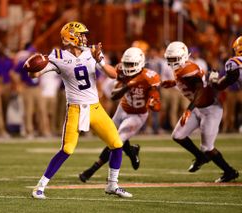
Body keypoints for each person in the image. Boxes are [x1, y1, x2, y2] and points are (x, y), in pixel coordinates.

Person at [30, 21, 132, 199]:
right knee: (67, 149)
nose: (85, 38)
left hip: (95, 107)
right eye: (81, 35)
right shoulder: (57, 55)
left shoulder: (91, 52)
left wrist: (99, 59)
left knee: (117, 144)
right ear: (71, 36)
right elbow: (36, 74)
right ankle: (40, 186)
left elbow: (113, 74)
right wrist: (32, 67)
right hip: (76, 110)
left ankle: (112, 185)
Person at [79, 47, 161, 183]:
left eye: (131, 64)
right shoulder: (122, 72)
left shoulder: (149, 77)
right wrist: (128, 86)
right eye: (126, 64)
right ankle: (131, 151)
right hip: (122, 108)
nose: (128, 67)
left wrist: (154, 102)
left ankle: (92, 170)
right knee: (112, 137)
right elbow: (113, 95)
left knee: (116, 141)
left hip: (138, 115)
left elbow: (156, 103)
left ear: (140, 63)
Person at [162, 41, 239, 183]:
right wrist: (173, 82)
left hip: (210, 110)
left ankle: (229, 172)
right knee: (178, 135)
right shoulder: (182, 68)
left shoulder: (189, 68)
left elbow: (200, 91)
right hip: (198, 108)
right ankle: (200, 157)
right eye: (170, 59)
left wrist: (188, 110)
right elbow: (189, 80)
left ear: (183, 56)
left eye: (174, 59)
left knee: (207, 147)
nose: (171, 62)